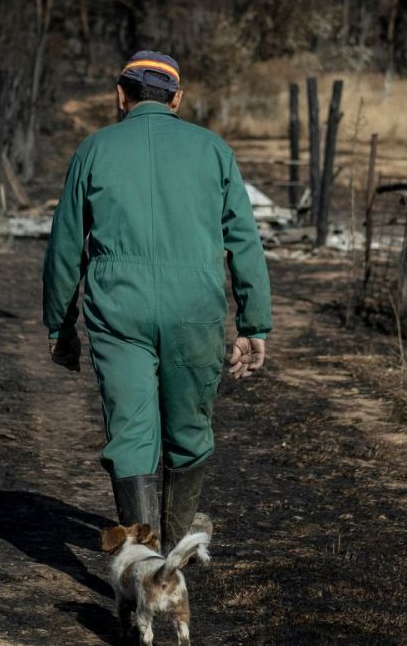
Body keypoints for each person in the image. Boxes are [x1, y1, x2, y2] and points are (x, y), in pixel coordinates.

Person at [42, 50, 271, 551]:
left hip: (118, 310)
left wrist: (60, 326)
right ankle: (176, 542)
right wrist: (254, 324)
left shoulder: (94, 149)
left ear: (120, 96)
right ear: (177, 99)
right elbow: (245, 241)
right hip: (195, 309)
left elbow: (64, 246)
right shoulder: (214, 151)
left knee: (130, 436)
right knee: (188, 430)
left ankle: (143, 562)